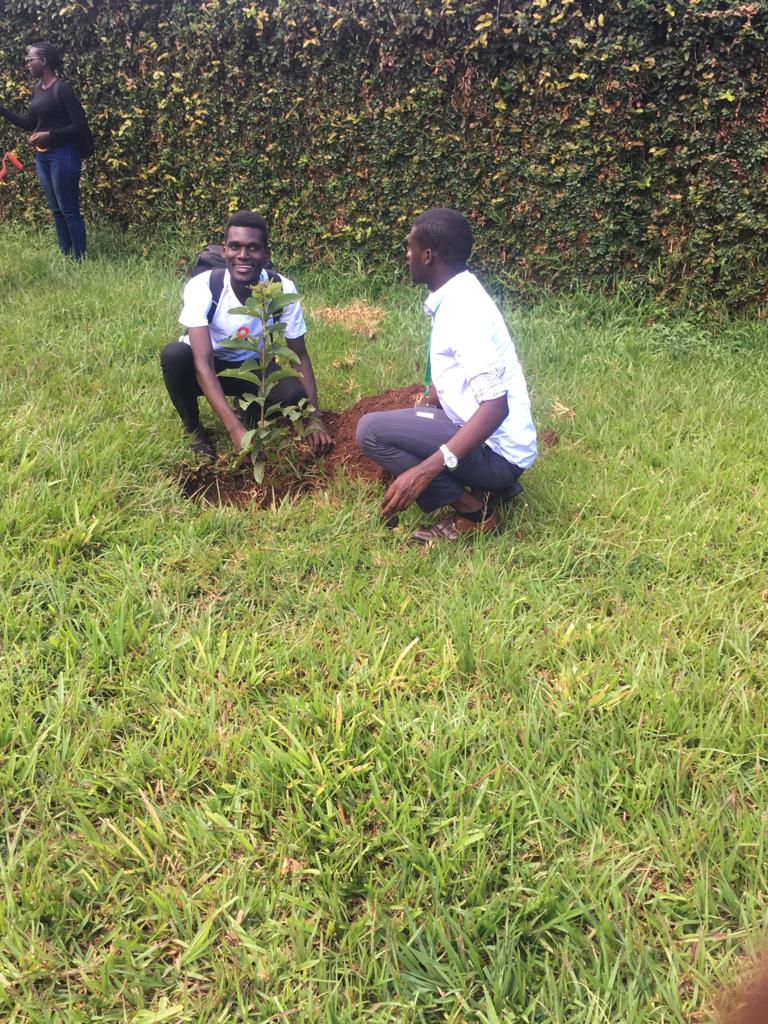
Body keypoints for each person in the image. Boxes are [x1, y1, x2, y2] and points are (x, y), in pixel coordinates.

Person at [356, 207, 537, 543]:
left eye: (410, 248)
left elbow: (496, 406)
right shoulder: (460, 293)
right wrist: (430, 403)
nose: (407, 255)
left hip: (499, 454)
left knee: (370, 432)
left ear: (427, 255)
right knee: (412, 419)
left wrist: (425, 471)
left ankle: (475, 512)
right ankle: (490, 486)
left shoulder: (462, 312)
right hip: (500, 447)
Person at [161, 210, 333, 460]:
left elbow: (299, 356)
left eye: (253, 248)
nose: (243, 255)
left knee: (292, 394)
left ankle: (249, 412)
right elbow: (203, 363)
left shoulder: (281, 289)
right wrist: (234, 430)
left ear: (266, 254)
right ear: (224, 251)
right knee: (174, 355)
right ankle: (194, 429)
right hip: (207, 367)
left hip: (252, 366)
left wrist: (314, 417)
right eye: (235, 247)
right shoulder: (203, 287)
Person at [0, 41, 89, 260]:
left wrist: (50, 135)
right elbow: (31, 124)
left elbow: (79, 124)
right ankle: (66, 256)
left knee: (68, 209)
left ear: (44, 61)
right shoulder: (36, 90)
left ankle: (80, 260)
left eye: (30, 60)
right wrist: (2, 110)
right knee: (56, 210)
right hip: (43, 156)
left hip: (64, 154)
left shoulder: (62, 88)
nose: (27, 64)